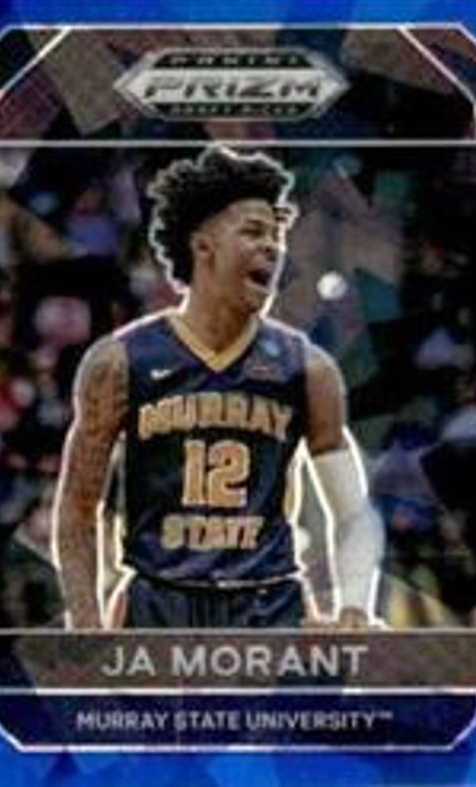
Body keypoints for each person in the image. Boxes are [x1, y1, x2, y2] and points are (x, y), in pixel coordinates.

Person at [50, 146, 384, 629]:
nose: (273, 248)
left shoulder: (307, 368)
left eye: (276, 236)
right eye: (253, 231)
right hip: (159, 601)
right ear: (203, 245)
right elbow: (79, 507)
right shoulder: (120, 362)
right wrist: (85, 621)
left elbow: (352, 511)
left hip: (268, 603)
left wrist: (354, 605)